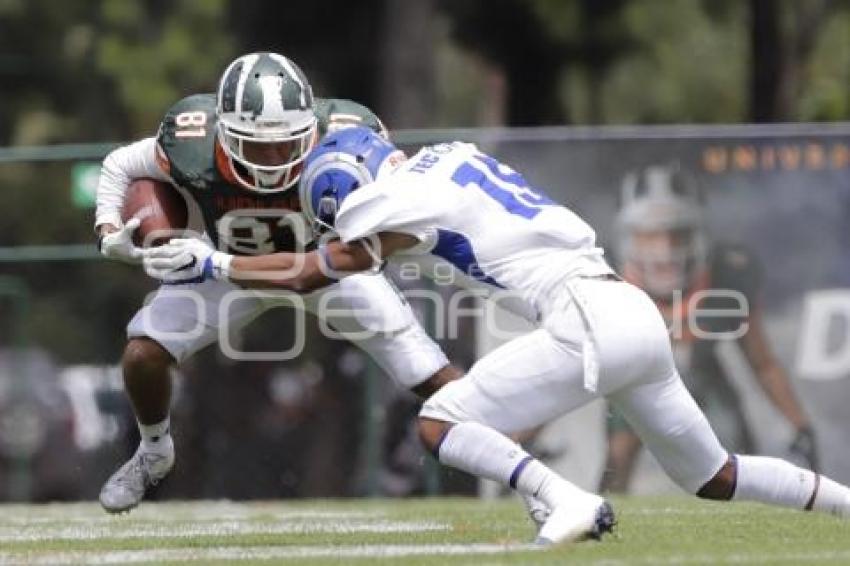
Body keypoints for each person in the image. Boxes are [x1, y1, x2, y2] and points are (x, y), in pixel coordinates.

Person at [145, 127, 850, 545]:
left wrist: (215, 262)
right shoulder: (452, 156)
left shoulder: (392, 201)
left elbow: (312, 272)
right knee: (714, 475)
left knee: (438, 423)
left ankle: (564, 497)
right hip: (630, 309)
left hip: (583, 320)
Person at [94, 53, 461, 513]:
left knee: (432, 377)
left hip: (323, 268)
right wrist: (110, 231)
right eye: (256, 144)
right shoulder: (193, 138)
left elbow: (405, 198)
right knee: (142, 353)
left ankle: (523, 470)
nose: (272, 158)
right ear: (224, 132)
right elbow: (119, 164)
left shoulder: (349, 135)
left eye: (285, 144)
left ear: (310, 128)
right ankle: (153, 451)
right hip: (225, 266)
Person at [600, 164, 817, 493]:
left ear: (697, 232)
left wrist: (799, 424)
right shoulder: (600, 278)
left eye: (677, 232)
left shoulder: (728, 273)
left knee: (738, 462)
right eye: (650, 233)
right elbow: (560, 363)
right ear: (628, 236)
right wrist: (517, 437)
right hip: (637, 379)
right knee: (617, 461)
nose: (664, 246)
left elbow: (763, 364)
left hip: (704, 379)